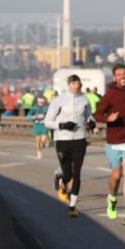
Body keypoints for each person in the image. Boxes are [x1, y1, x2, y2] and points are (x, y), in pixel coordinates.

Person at [94, 64, 125, 226]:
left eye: (124, 73)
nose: (122, 76)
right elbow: (97, 114)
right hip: (113, 141)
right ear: (114, 77)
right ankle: (112, 197)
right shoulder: (110, 95)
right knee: (116, 175)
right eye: (119, 74)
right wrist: (107, 119)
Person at [44, 74, 93, 217]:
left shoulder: (85, 99)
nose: (76, 86)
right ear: (69, 85)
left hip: (79, 139)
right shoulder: (58, 100)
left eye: (78, 83)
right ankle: (61, 179)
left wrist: (91, 122)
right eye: (73, 83)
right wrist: (62, 125)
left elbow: (89, 115)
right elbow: (47, 121)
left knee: (77, 173)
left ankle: (72, 206)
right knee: (68, 174)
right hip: (62, 140)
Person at [27, 96, 50, 160]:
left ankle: (43, 144)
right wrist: (35, 116)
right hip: (36, 125)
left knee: (43, 140)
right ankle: (38, 152)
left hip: (44, 125)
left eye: (42, 102)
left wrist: (45, 116)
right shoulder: (34, 108)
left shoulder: (46, 108)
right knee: (37, 140)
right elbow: (28, 117)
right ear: (37, 102)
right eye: (40, 102)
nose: (41, 104)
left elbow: (50, 114)